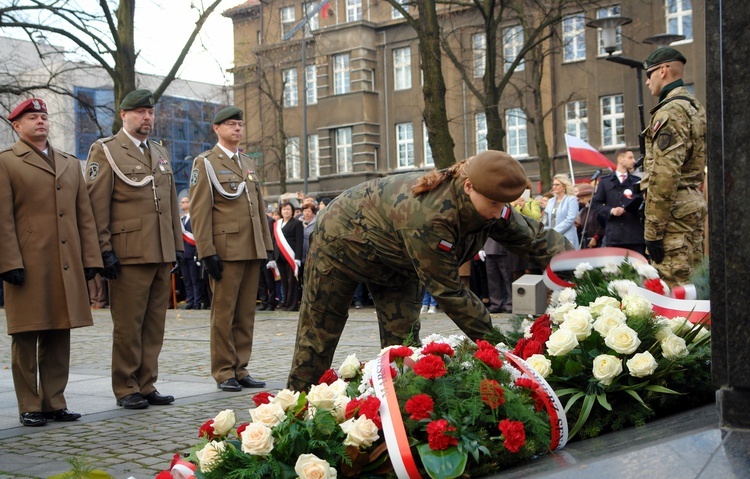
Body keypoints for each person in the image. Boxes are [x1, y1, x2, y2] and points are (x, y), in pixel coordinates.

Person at [287, 150, 572, 391]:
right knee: (319, 334)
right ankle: (297, 409)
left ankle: (400, 412)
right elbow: (450, 293)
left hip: (396, 258)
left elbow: (533, 237)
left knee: (403, 345)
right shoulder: (430, 217)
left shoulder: (489, 201)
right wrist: (503, 350)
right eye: (494, 204)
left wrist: (582, 266)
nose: (499, 213)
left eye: (503, 205)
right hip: (340, 243)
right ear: (469, 186)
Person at [0, 98, 102, 426]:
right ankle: (30, 404)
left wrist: (90, 258)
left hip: (66, 263)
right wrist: (8, 261)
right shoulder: (6, 162)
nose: (40, 121)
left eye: (43, 116)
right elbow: (2, 218)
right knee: (26, 334)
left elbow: (83, 216)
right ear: (16, 126)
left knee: (60, 332)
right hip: (27, 263)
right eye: (32, 117)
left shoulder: (70, 163)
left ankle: (54, 401)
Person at [86, 89, 182, 409]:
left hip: (158, 251)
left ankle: (147, 382)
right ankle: (126, 386)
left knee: (154, 323)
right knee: (128, 325)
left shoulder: (159, 152)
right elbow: (96, 205)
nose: (147, 118)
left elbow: (169, 203)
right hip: (127, 252)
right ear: (123, 115)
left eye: (150, 113)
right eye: (140, 112)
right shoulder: (107, 150)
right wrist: (104, 250)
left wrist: (176, 244)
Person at [189, 106, 273, 392]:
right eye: (230, 125)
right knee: (223, 314)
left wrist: (266, 245)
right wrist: (206, 251)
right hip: (225, 250)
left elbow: (258, 207)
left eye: (239, 124)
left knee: (246, 312)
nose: (237, 129)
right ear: (217, 129)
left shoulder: (247, 162)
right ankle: (224, 370)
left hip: (250, 247)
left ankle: (240, 367)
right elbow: (200, 211)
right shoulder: (206, 163)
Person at [641, 47, 707, 286]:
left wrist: (653, 233)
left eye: (649, 74)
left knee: (672, 286)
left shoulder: (670, 111)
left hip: (673, 210)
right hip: (691, 202)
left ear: (663, 70)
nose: (647, 81)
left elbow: (664, 175)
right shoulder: (694, 106)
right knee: (695, 282)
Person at [591, 149, 645, 254]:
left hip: (635, 235)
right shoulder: (606, 181)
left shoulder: (637, 181)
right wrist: (611, 210)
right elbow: (595, 204)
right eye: (630, 157)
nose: (634, 161)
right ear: (620, 159)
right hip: (615, 235)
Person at [271, 202, 303, 311]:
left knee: (292, 281)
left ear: (292, 211)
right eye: (284, 209)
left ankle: (292, 305)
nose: (286, 211)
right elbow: (274, 240)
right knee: (284, 281)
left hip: (291, 256)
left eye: (288, 209)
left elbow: (299, 241)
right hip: (279, 256)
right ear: (280, 211)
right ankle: (285, 302)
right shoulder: (277, 224)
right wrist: (272, 257)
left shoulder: (297, 223)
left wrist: (298, 257)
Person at [179, 196, 207, 309]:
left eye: (184, 202)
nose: (181, 204)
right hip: (183, 254)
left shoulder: (195, 218)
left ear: (190, 203)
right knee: (187, 280)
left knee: (195, 280)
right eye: (181, 202)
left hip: (193, 253)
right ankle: (190, 301)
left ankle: (197, 302)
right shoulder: (181, 220)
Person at [544, 174, 579, 249]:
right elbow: (545, 220)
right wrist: (544, 233)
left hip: (567, 238)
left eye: (557, 185)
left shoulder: (571, 199)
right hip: (551, 239)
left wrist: (555, 231)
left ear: (564, 186)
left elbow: (570, 219)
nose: (554, 187)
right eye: (553, 184)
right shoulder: (550, 201)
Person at [576, 183, 606, 249]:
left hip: (599, 242)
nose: (581, 201)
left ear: (590, 196)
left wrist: (596, 237)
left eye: (582, 198)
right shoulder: (584, 211)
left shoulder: (598, 209)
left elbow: (603, 225)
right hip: (586, 242)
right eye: (579, 199)